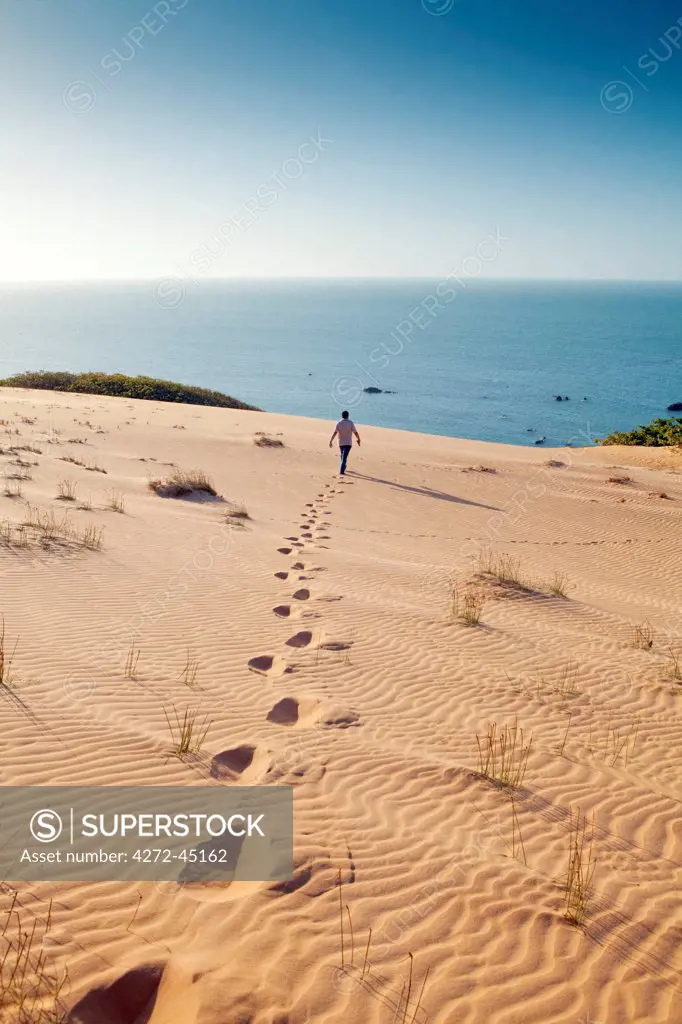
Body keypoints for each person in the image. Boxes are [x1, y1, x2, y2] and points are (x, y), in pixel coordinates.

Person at [329, 410, 361, 475]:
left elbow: (335, 433)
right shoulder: (350, 423)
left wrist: (331, 441)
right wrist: (358, 439)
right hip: (348, 443)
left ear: (342, 416)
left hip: (341, 443)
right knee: (344, 457)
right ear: (348, 416)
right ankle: (342, 471)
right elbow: (355, 432)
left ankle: (343, 466)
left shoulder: (339, 423)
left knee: (343, 456)